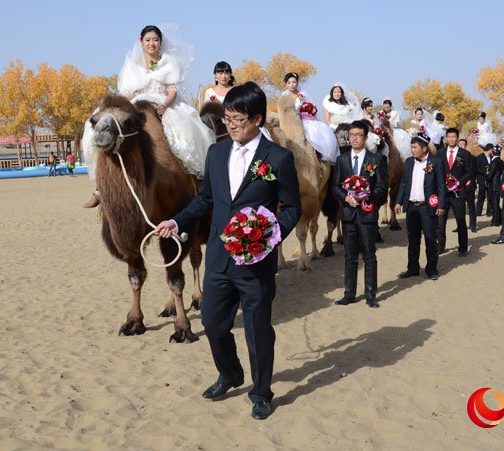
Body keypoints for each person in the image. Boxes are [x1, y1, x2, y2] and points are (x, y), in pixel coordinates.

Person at [154, 82, 301, 420]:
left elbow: (292, 208)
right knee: (212, 321)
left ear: (257, 119)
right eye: (228, 118)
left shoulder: (279, 158)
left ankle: (261, 392)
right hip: (220, 258)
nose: (231, 125)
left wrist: (269, 237)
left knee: (257, 330)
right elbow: (206, 199)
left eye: (238, 119)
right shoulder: (217, 153)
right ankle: (231, 373)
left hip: (256, 262)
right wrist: (176, 222)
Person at [115, 24, 216, 179]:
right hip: (138, 102)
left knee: (187, 129)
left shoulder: (169, 62)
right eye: (148, 40)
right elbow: (128, 91)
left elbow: (172, 91)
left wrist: (165, 104)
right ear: (141, 42)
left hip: (163, 102)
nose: (151, 43)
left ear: (161, 42)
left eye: (155, 40)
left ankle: (191, 174)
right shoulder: (133, 63)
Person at [332, 121, 388, 308]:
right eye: (352, 135)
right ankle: (349, 294)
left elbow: (382, 188)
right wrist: (345, 198)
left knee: (369, 256)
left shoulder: (375, 160)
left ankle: (370, 294)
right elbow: (335, 186)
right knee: (350, 256)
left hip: (367, 215)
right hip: (348, 215)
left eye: (358, 135)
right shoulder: (342, 160)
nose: (354, 138)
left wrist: (367, 195)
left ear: (365, 137)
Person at [394, 132, 446, 280]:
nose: (412, 150)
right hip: (411, 207)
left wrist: (441, 205)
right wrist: (398, 202)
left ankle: (432, 269)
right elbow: (404, 183)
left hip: (427, 207)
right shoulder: (409, 162)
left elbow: (441, 186)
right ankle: (412, 268)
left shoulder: (436, 162)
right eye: (411, 147)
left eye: (415, 147)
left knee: (430, 239)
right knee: (413, 240)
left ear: (424, 148)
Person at [204, 61, 272, 141]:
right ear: (215, 75)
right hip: (217, 127)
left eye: (226, 73)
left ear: (230, 75)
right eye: (220, 73)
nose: (223, 76)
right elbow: (207, 113)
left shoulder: (236, 90)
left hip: (238, 123)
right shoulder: (210, 92)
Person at [281, 72, 339, 163]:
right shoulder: (284, 96)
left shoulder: (302, 94)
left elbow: (310, 106)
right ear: (286, 84)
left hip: (304, 119)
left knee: (314, 132)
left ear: (297, 83)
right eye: (289, 83)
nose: (291, 85)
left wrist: (308, 112)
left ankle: (317, 155)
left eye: (294, 82)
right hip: (289, 120)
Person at [436, 128, 475, 256]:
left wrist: (458, 183)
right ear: (446, 138)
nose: (451, 139)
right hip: (443, 193)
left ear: (457, 138)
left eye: (454, 137)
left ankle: (463, 248)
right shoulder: (440, 153)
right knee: (440, 222)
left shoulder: (464, 154)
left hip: (458, 193)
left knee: (460, 220)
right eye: (449, 137)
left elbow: (469, 172)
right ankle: (440, 246)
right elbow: (435, 170)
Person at [457, 138, 478, 232]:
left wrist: (470, 178)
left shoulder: (471, 157)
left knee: (471, 206)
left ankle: (473, 225)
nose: (461, 145)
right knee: (459, 208)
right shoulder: (455, 157)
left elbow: (475, 170)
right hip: (458, 186)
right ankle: (460, 226)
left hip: (469, 185)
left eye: (463, 144)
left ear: (466, 145)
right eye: (460, 144)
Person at [476, 143, 494, 217]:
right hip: (482, 179)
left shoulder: (492, 157)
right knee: (481, 196)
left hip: (490, 180)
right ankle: (478, 211)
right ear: (490, 150)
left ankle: (489, 212)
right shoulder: (479, 157)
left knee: (490, 196)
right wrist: (485, 173)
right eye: (493, 150)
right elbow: (477, 168)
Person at [488, 145, 504, 226]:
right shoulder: (500, 161)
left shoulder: (494, 161)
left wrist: (486, 180)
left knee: (494, 203)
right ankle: (499, 218)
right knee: (495, 203)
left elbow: (491, 173)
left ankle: (496, 220)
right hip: (498, 184)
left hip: (494, 185)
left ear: (492, 152)